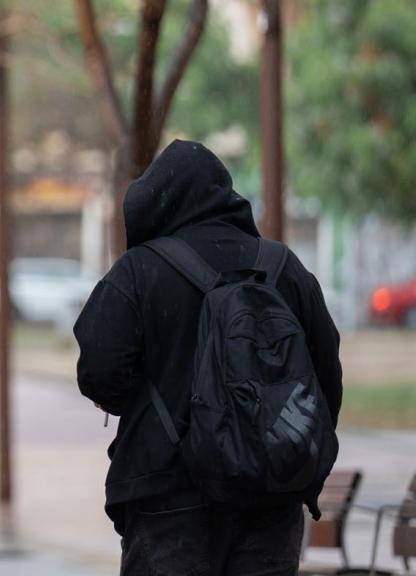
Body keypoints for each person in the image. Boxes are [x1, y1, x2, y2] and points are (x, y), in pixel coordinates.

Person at [74, 140, 342, 576]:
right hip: (269, 498)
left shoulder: (140, 270)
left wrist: (147, 403)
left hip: (167, 500)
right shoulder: (283, 269)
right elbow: (326, 377)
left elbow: (100, 370)